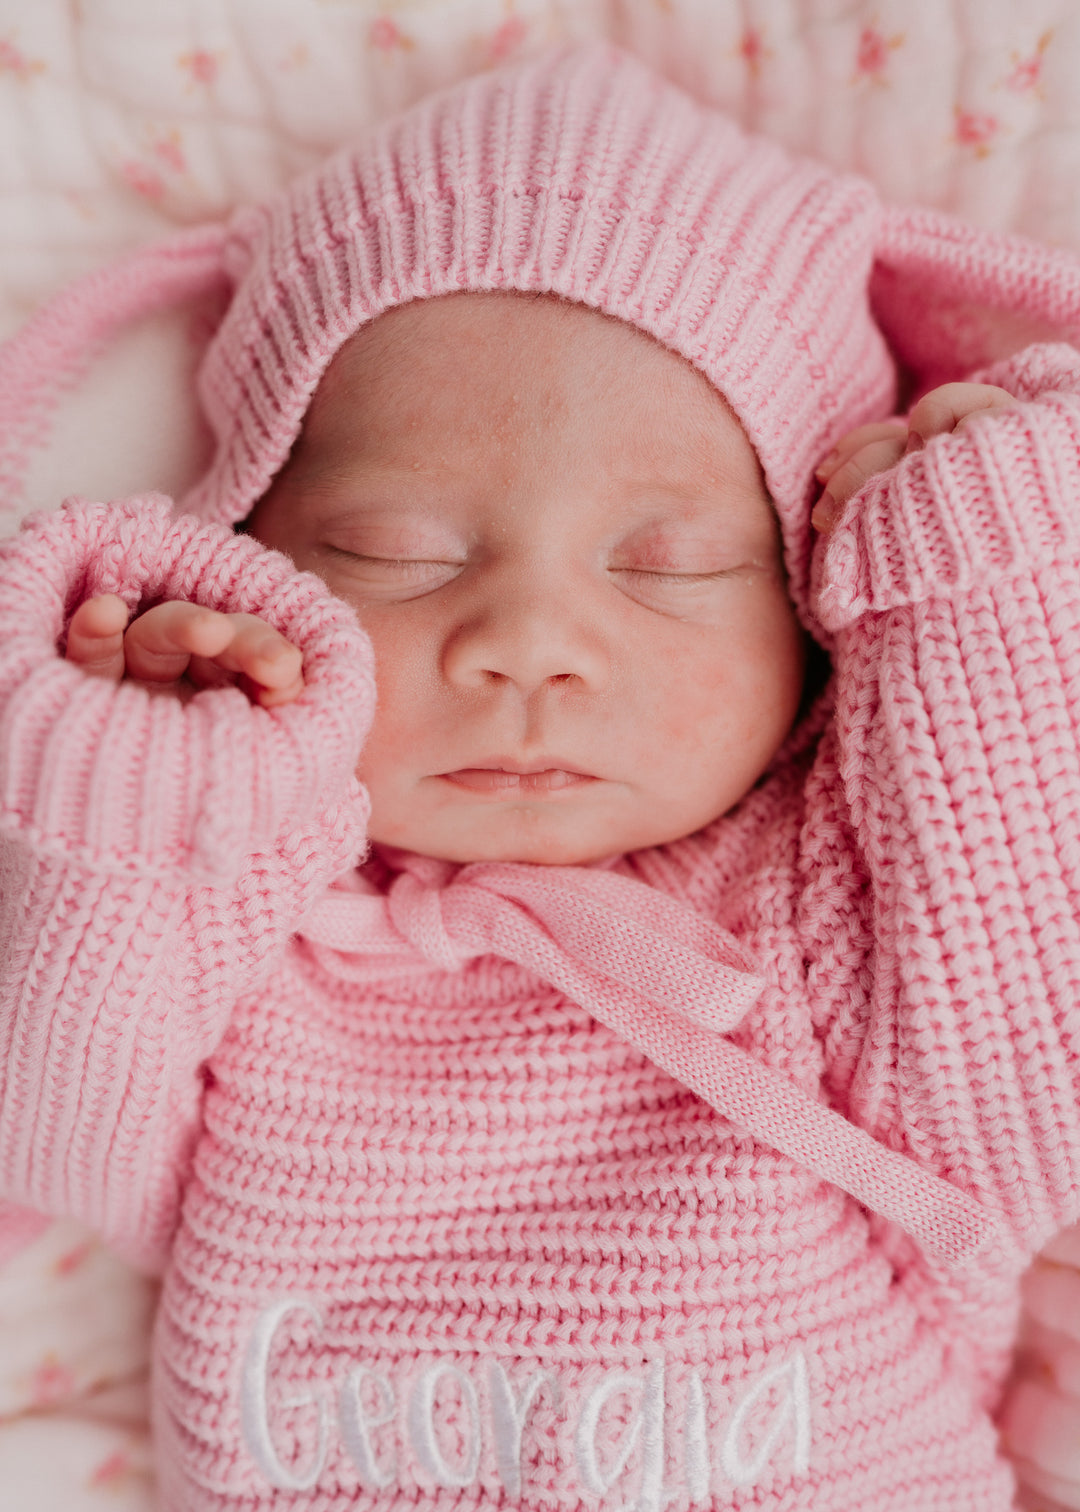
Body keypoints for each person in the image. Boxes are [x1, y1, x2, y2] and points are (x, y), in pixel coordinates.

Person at [2, 41, 1080, 1512]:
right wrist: (144, 784)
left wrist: (978, 603)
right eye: (398, 551)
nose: (522, 646)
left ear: (812, 597)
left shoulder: (818, 888)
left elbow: (1029, 1104)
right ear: (249, 556)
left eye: (670, 564)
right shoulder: (262, 893)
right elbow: (65, 1146)